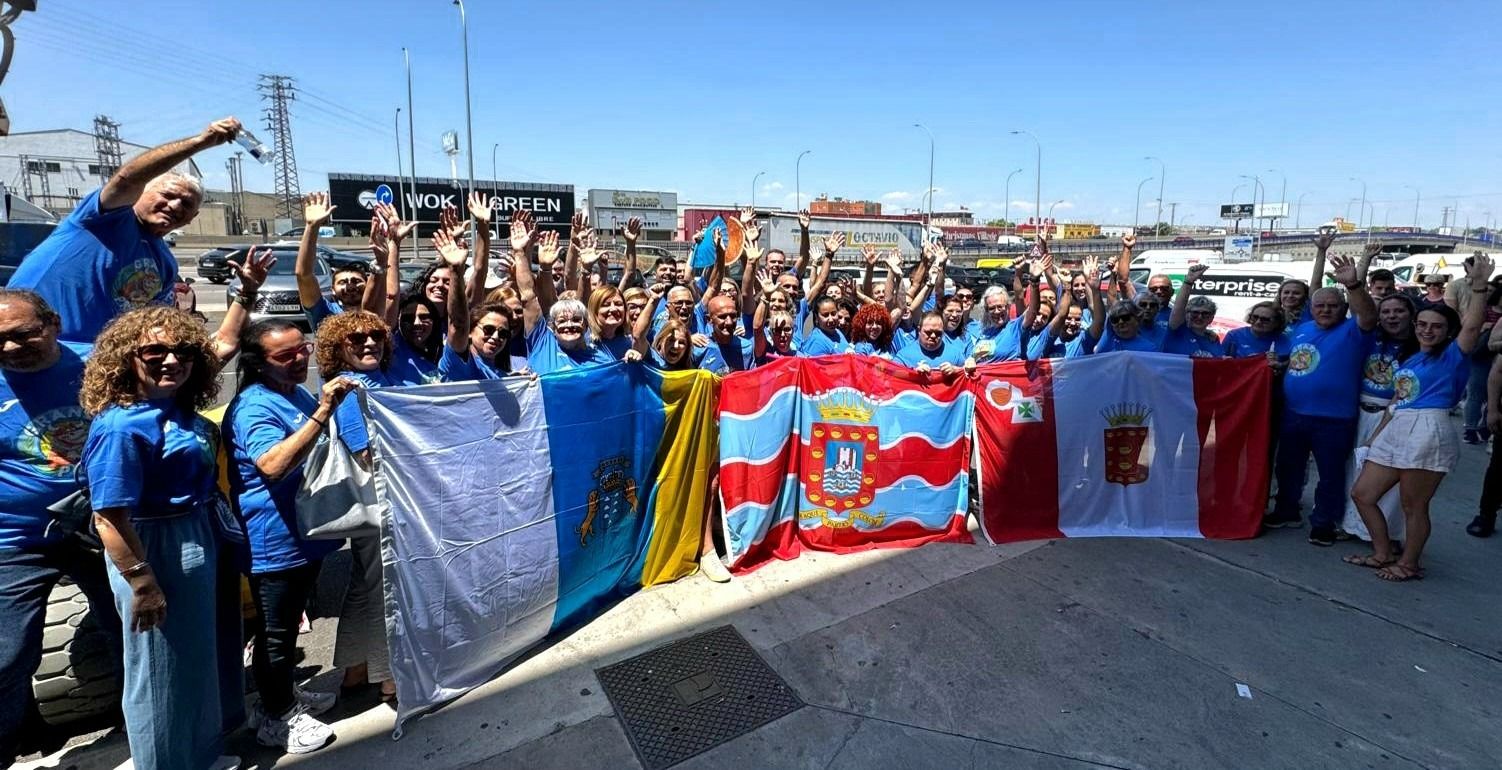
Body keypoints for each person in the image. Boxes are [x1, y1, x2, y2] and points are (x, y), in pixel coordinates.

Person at [77, 306, 238, 770]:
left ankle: (200, 754)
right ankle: (164, 762)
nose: (172, 360)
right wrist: (142, 582)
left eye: (183, 351)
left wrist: (244, 294)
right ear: (126, 358)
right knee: (158, 667)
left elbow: (221, 345)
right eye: (155, 351)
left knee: (194, 655)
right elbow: (109, 516)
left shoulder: (174, 407)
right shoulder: (121, 426)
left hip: (198, 532)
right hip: (151, 544)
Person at [223, 320, 357, 754]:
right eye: (286, 356)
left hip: (303, 535)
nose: (301, 360)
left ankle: (280, 698)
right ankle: (277, 717)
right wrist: (322, 413)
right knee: (276, 633)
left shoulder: (292, 392)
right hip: (273, 539)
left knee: (288, 624)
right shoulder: (252, 407)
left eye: (304, 349)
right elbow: (272, 465)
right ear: (259, 364)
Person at [0, 290, 121, 765]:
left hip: (101, 527)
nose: (10, 348)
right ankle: (12, 741)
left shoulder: (99, 364)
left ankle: (141, 724)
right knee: (8, 653)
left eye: (22, 334)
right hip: (16, 537)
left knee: (129, 628)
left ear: (51, 323)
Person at [10, 117, 241, 343]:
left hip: (97, 367)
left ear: (193, 218)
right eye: (168, 195)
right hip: (33, 351)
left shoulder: (166, 263)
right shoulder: (102, 219)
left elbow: (151, 322)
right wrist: (201, 142)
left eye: (187, 204)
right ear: (140, 192)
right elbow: (127, 179)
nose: (175, 205)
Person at [1347, 256, 1494, 581]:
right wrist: (1376, 438)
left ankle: (1409, 564)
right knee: (1363, 494)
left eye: (1436, 326)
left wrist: (1479, 287)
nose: (1428, 330)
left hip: (1429, 428)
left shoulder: (1454, 355)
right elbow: (1397, 401)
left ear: (1448, 332)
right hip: (1398, 426)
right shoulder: (1412, 357)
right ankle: (1382, 552)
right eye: (1423, 325)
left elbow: (1471, 326)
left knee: (1414, 506)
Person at [1265, 256, 1378, 546]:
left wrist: (1353, 284)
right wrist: (1281, 365)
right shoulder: (1303, 329)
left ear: (1343, 309)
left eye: (1332, 306)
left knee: (1330, 475)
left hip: (1334, 418)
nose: (1326, 310)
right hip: (1294, 413)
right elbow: (1298, 361)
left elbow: (1366, 314)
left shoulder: (1354, 330)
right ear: (1311, 309)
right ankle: (1286, 510)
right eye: (1320, 306)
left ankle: (1324, 522)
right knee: (1288, 468)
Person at [1339, 294, 1418, 545]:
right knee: (1352, 470)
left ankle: (1385, 534)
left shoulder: (1420, 347)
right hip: (1359, 410)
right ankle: (1349, 525)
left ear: (1410, 315)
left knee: (1385, 478)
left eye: (1398, 311)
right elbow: (1358, 309)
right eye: (1386, 312)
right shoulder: (1371, 339)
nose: (1391, 317)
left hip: (1394, 416)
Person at [511, 212, 615, 375]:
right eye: (562, 321)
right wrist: (520, 253)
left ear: (586, 325)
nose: (569, 325)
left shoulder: (603, 360)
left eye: (576, 320)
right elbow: (528, 296)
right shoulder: (541, 342)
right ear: (551, 326)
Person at [295, 192, 372, 330]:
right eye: (342, 282)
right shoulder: (324, 313)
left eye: (356, 281)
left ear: (367, 285)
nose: (350, 286)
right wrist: (312, 227)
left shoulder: (376, 311)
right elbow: (303, 275)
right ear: (333, 290)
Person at [1027, 257, 1105, 360]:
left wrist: (1095, 290)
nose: (1073, 323)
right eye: (1069, 319)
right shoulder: (1049, 338)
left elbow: (1099, 321)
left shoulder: (1083, 340)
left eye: (1077, 320)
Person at [1161, 265, 1224, 358]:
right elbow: (1178, 307)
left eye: (1205, 313)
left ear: (1211, 318)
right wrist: (1188, 282)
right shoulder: (1177, 330)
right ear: (1186, 315)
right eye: (1195, 312)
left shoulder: (1213, 339)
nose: (1199, 317)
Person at [893, 312, 977, 375]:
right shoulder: (904, 356)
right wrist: (913, 374)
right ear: (919, 330)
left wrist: (957, 370)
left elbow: (969, 376)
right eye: (928, 332)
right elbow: (891, 375)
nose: (933, 336)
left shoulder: (955, 354)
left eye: (938, 333)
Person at [700, 295, 755, 374]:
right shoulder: (699, 349)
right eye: (722, 317)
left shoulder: (747, 347)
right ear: (709, 320)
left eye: (733, 316)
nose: (729, 322)